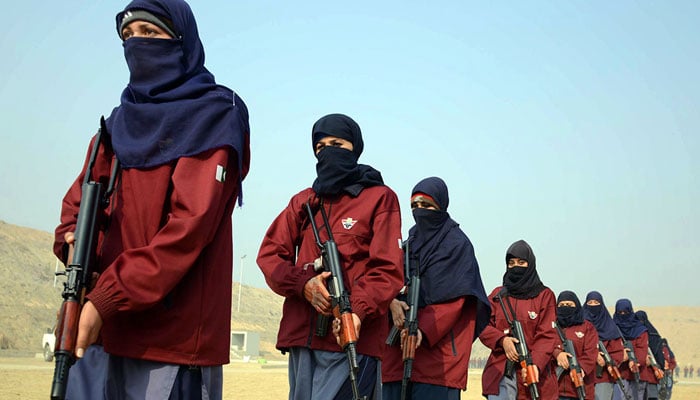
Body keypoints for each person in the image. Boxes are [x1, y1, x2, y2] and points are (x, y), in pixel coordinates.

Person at [52, 0, 250, 398]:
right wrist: (73, 243)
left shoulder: (213, 115)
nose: (136, 44)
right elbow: (78, 206)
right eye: (128, 36)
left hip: (169, 344)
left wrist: (107, 298)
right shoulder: (116, 125)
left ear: (181, 41)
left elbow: (188, 230)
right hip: (100, 330)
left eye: (149, 33)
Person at [256, 113, 404, 400]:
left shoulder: (380, 198)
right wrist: (303, 285)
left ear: (355, 148)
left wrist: (357, 311)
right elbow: (270, 255)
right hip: (303, 339)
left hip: (352, 340)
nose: (327, 152)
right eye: (320, 147)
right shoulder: (304, 201)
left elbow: (387, 270)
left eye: (337, 143)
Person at [381, 177, 491, 400]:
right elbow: (387, 281)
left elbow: (455, 302)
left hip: (438, 362)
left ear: (441, 206)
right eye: (415, 206)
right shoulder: (408, 243)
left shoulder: (457, 245)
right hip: (396, 355)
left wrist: (421, 329)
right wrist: (391, 303)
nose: (420, 211)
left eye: (427, 205)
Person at [479, 240, 559, 400]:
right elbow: (481, 324)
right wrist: (502, 341)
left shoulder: (544, 295)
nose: (516, 266)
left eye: (521, 262)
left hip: (536, 376)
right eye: (511, 263)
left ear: (530, 264)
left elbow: (547, 335)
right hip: (501, 371)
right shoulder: (498, 295)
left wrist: (535, 363)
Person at [552, 291, 598, 400]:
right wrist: (558, 354)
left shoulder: (587, 327)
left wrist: (581, 368)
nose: (565, 307)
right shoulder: (551, 326)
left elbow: (591, 352)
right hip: (554, 390)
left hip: (579, 388)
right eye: (561, 305)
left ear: (576, 306)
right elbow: (544, 345)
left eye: (569, 305)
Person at [582, 291, 626, 400]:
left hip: (604, 377)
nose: (592, 305)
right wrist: (594, 354)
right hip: (583, 374)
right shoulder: (581, 325)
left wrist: (610, 362)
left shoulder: (610, 327)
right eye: (590, 302)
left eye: (596, 302)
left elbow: (617, 351)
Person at [612, 299, 648, 400]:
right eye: (620, 313)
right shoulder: (612, 328)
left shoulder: (640, 330)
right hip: (618, 373)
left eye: (626, 312)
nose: (623, 315)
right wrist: (620, 355)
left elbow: (642, 348)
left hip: (637, 373)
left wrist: (636, 360)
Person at [635, 310, 664, 400]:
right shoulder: (633, 335)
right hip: (638, 374)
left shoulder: (653, 336)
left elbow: (659, 355)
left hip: (652, 373)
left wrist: (659, 368)